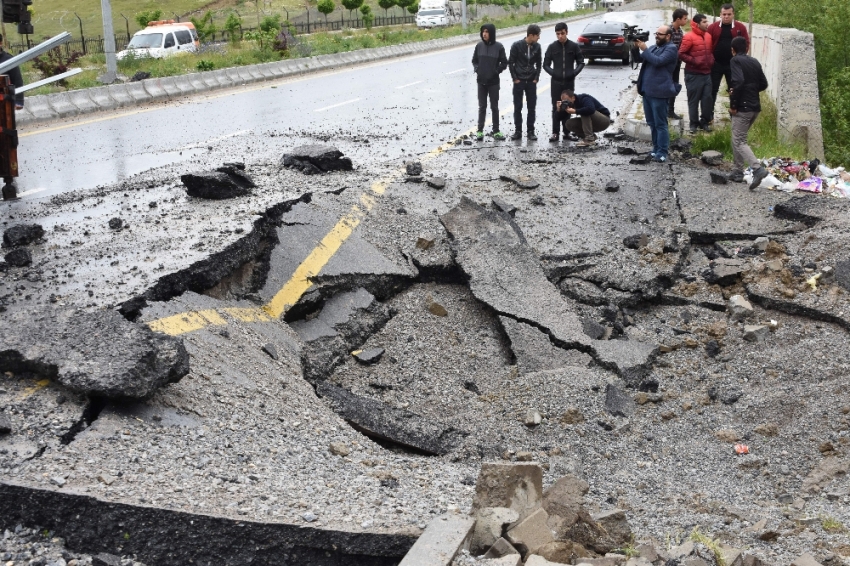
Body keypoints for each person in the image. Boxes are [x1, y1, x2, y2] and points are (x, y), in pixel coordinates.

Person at [727, 36, 769, 189]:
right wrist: (750, 90)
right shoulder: (755, 61)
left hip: (743, 108)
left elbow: (738, 81)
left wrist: (733, 103)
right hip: (755, 107)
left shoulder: (735, 61)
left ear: (732, 50)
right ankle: (737, 171)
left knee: (739, 140)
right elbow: (764, 84)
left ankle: (757, 169)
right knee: (737, 137)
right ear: (747, 48)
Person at [635, 25, 680, 163]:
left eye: (660, 34)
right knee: (651, 123)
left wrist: (645, 49)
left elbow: (658, 61)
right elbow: (639, 59)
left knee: (660, 124)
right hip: (647, 92)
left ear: (668, 36)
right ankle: (655, 149)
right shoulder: (654, 48)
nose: (656, 36)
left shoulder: (671, 49)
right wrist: (634, 47)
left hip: (660, 92)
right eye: (656, 33)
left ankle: (662, 152)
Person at [543, 22, 585, 142]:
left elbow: (581, 62)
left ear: (567, 32)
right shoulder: (552, 47)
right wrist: (553, 73)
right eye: (557, 34)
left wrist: (573, 73)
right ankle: (555, 132)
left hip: (569, 82)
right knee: (556, 107)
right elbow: (545, 64)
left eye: (562, 33)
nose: (560, 36)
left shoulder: (573, 46)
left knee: (568, 106)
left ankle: (567, 132)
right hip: (556, 82)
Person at [707, 3, 750, 111]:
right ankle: (709, 116)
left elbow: (746, 43)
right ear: (720, 14)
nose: (726, 16)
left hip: (733, 65)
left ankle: (734, 113)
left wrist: (740, 58)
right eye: (724, 14)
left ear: (733, 14)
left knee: (734, 90)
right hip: (716, 64)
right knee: (712, 90)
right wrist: (710, 59)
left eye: (729, 14)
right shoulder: (713, 27)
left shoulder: (740, 27)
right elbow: (707, 44)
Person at [472, 23, 509, 141]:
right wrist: (477, 69)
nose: (484, 34)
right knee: (482, 107)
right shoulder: (479, 46)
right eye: (483, 31)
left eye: (487, 32)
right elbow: (474, 61)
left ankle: (496, 131)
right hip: (481, 82)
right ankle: (480, 131)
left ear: (491, 33)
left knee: (494, 107)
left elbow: (504, 63)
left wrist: (495, 71)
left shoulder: (499, 47)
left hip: (493, 82)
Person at [678, 14, 714, 133]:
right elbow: (681, 53)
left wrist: (711, 59)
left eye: (706, 21)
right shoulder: (689, 37)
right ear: (697, 24)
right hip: (693, 74)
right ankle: (693, 123)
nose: (707, 24)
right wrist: (694, 61)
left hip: (707, 73)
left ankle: (705, 122)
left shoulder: (708, 36)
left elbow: (710, 51)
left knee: (707, 99)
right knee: (693, 100)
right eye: (704, 22)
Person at [508, 24, 542, 141]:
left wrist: (536, 78)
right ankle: (518, 131)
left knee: (531, 107)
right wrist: (515, 78)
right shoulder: (516, 46)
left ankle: (530, 131)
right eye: (537, 36)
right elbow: (511, 63)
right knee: (518, 107)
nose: (538, 38)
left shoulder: (537, 47)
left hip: (531, 81)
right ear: (531, 35)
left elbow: (539, 63)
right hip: (519, 81)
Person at [667, 8, 688, 119]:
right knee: (666, 85)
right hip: (668, 64)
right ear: (678, 19)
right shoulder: (667, 30)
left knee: (674, 85)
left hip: (677, 63)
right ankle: (664, 109)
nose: (686, 21)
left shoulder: (680, 31)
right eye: (685, 19)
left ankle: (670, 110)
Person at [0, 36, 24, 110]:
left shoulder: (9, 60)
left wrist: (19, 101)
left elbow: (17, 80)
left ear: (0, 43)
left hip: (4, 102)